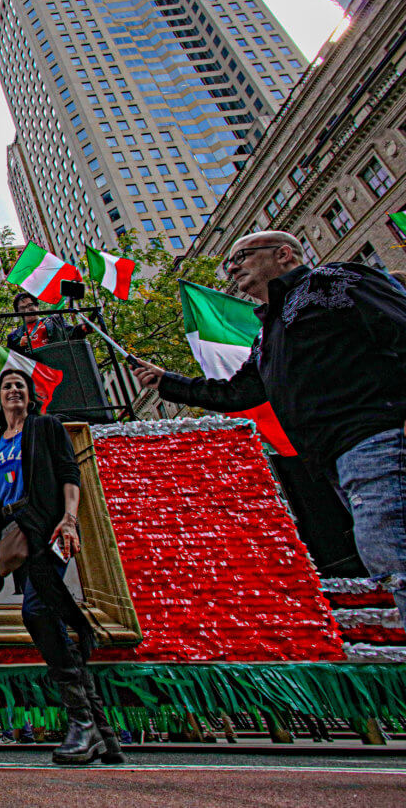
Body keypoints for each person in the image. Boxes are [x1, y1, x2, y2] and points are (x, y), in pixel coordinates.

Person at [130, 231, 406, 623]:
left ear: (283, 254)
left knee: (394, 558)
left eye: (241, 256)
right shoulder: (267, 336)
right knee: (386, 562)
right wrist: (167, 382)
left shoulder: (336, 282)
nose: (233, 267)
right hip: (335, 459)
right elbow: (239, 393)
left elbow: (400, 327)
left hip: (379, 438)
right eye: (228, 263)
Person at [0, 370, 122, 765]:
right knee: (50, 621)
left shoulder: (45, 427)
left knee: (37, 611)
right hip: (16, 537)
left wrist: (70, 519)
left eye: (20, 385)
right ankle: (99, 731)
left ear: (30, 396)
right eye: (6, 387)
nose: (14, 390)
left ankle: (82, 723)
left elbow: (69, 474)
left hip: (45, 530)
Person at [6, 292, 90, 353]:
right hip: (34, 371)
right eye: (22, 308)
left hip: (58, 363)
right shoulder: (13, 337)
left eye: (29, 305)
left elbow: (71, 333)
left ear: (37, 306)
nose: (27, 310)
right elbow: (12, 361)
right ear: (18, 312)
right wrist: (20, 346)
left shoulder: (55, 321)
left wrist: (83, 328)